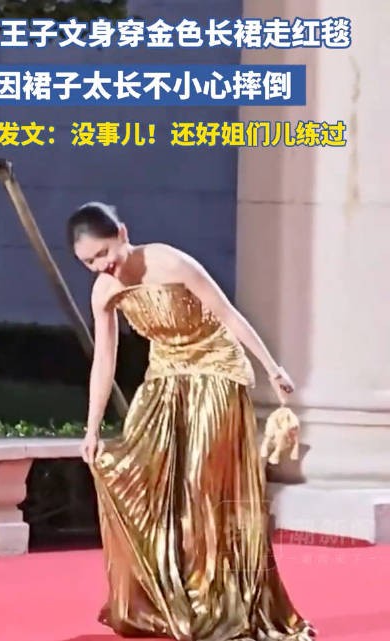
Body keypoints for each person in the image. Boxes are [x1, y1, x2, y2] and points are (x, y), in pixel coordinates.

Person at [67, 201, 316, 641]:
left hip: (216, 368)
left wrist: (272, 368)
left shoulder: (171, 262)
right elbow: (104, 360)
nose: (101, 266)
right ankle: (169, 598)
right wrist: (91, 429)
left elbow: (227, 314)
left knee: (203, 483)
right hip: (166, 375)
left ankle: (218, 600)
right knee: (140, 473)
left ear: (122, 233)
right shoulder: (104, 291)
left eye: (103, 253)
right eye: (88, 262)